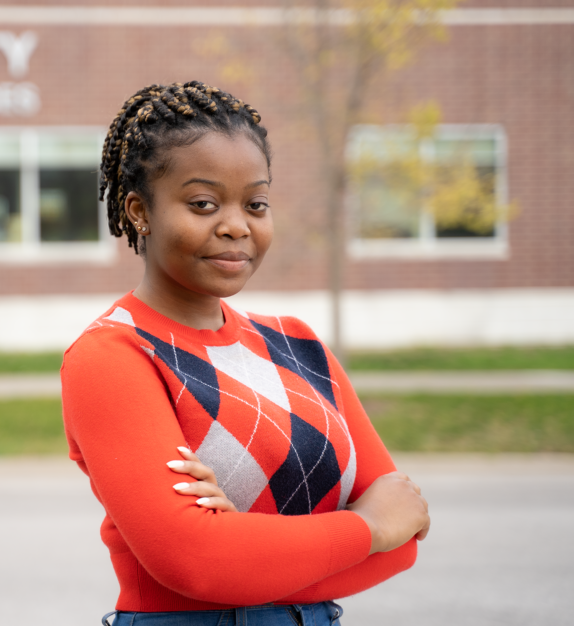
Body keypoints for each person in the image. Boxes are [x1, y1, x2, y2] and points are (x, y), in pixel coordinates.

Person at [61, 81, 430, 626]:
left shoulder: (297, 344)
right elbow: (197, 562)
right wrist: (366, 530)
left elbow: (406, 539)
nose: (236, 225)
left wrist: (249, 547)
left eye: (255, 203)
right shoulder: (113, 355)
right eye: (203, 203)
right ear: (139, 210)